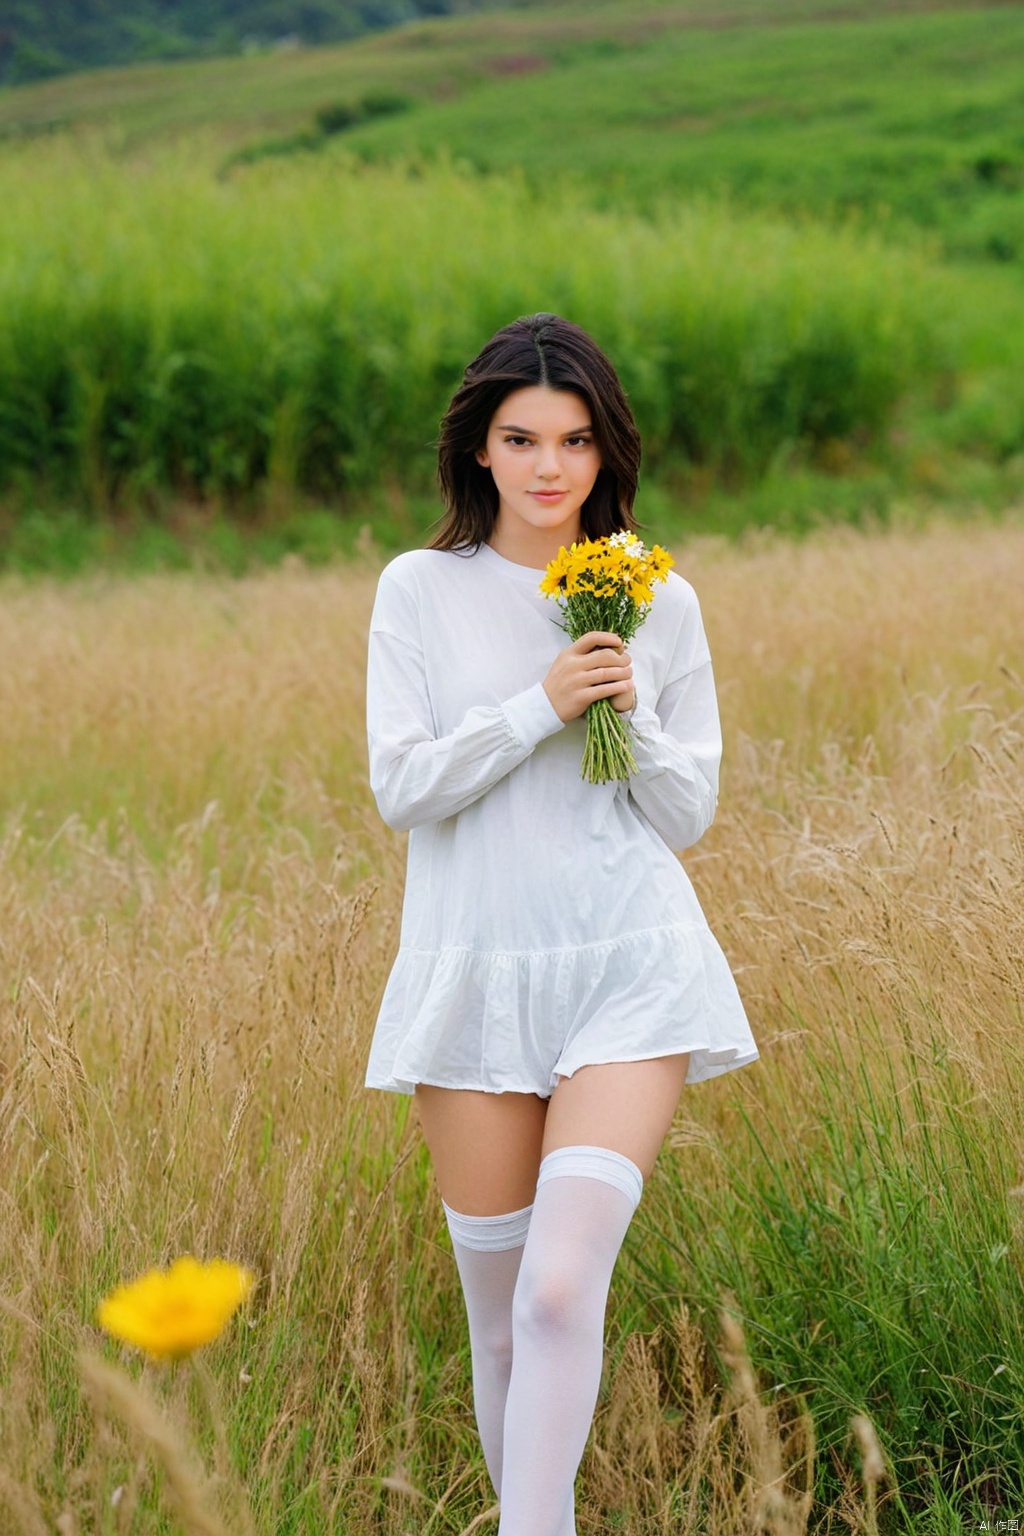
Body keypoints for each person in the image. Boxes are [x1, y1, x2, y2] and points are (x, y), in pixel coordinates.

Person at [364, 313, 757, 1535]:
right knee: (498, 1320)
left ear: (605, 451)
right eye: (521, 438)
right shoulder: (420, 591)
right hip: (474, 976)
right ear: (478, 450)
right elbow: (403, 788)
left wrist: (622, 705)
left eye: (576, 440)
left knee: (556, 1295)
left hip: (629, 969)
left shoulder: (659, 598)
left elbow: (685, 811)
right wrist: (538, 703)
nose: (549, 467)